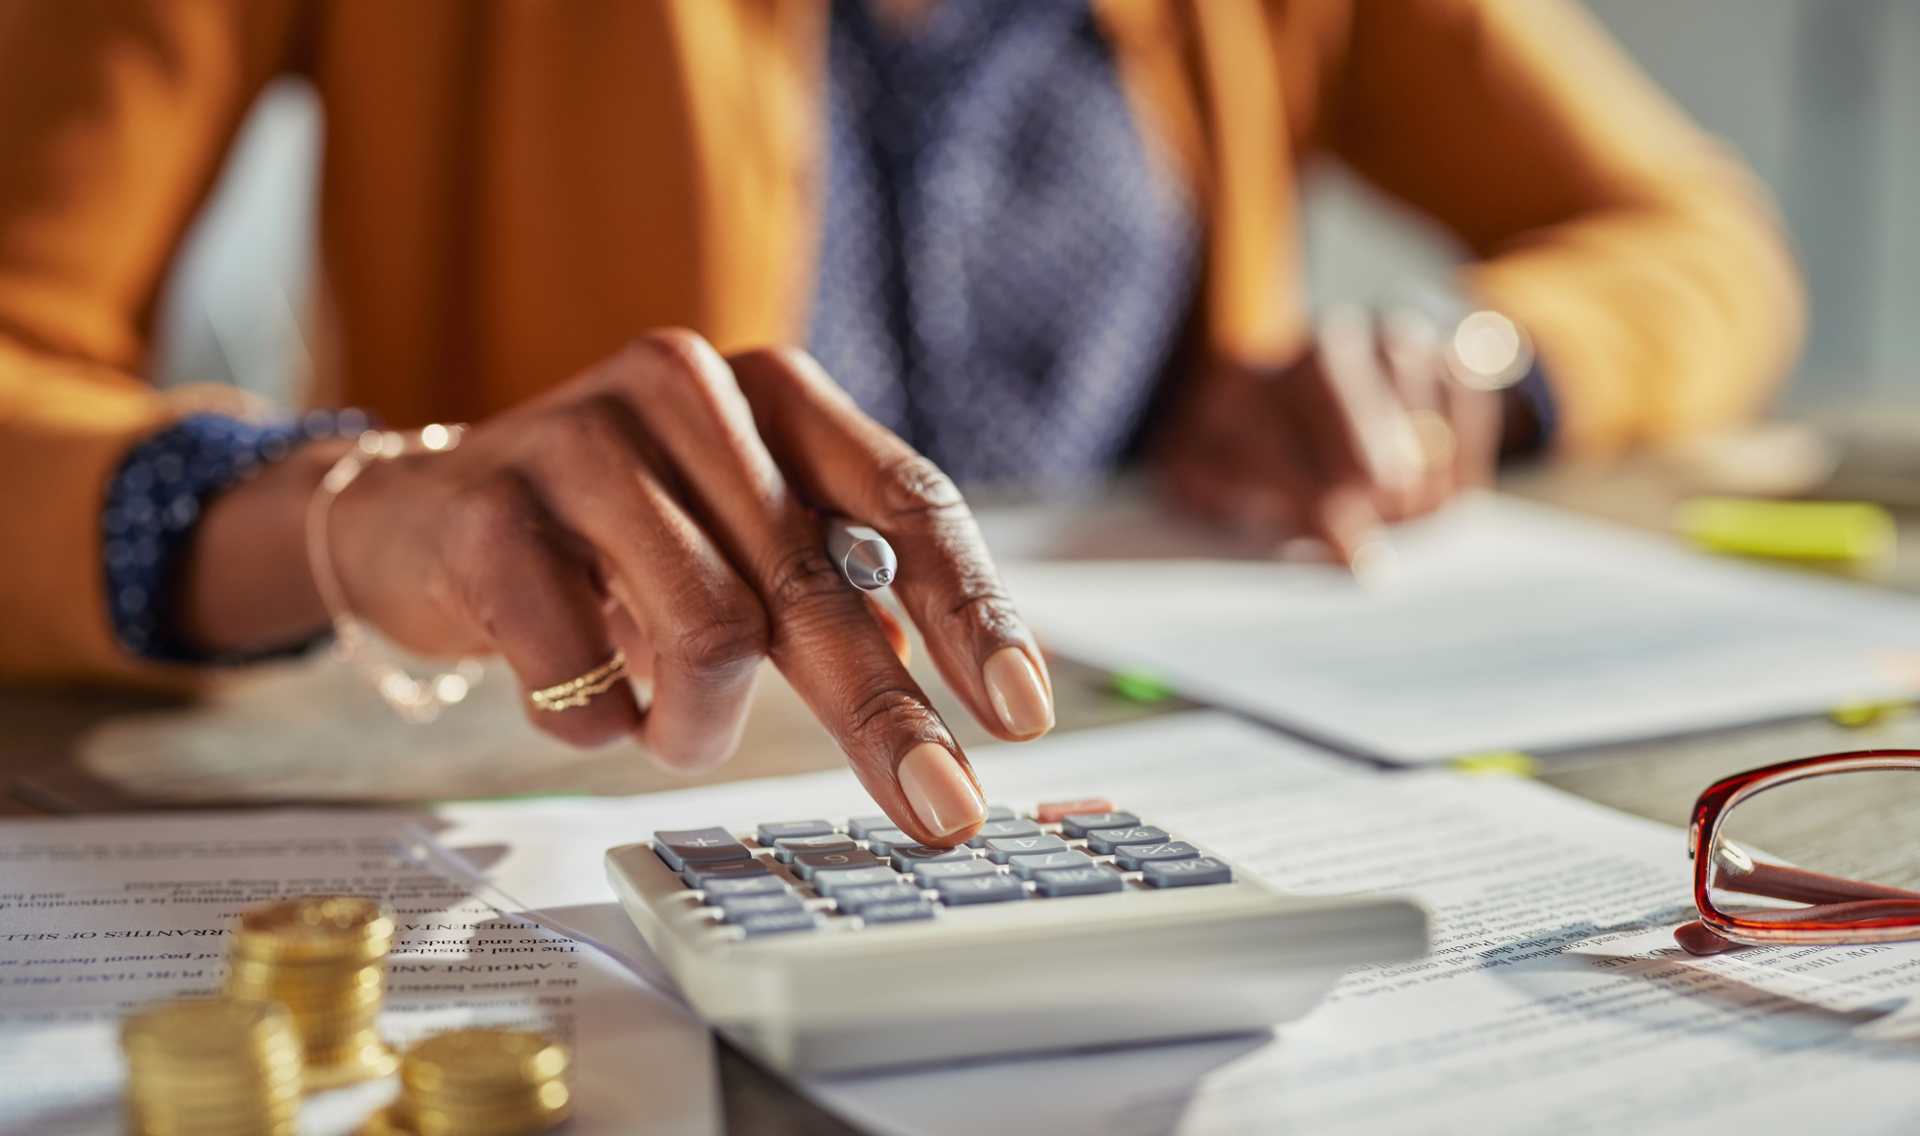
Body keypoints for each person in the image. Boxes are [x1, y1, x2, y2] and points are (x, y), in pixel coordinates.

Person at [0, 0, 1803, 843]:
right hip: (570, 795)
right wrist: (347, 514)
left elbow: (1699, 239)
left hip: (1209, 781)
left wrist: (1475, 366)